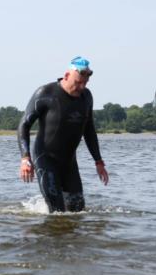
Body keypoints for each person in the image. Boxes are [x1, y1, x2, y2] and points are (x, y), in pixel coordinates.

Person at [17, 56, 109, 212]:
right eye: (78, 82)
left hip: (69, 162)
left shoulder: (86, 97)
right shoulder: (45, 93)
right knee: (57, 211)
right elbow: (23, 125)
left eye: (85, 83)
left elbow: (89, 130)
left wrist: (98, 162)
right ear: (66, 76)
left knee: (78, 210)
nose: (81, 87)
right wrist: (25, 158)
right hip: (46, 159)